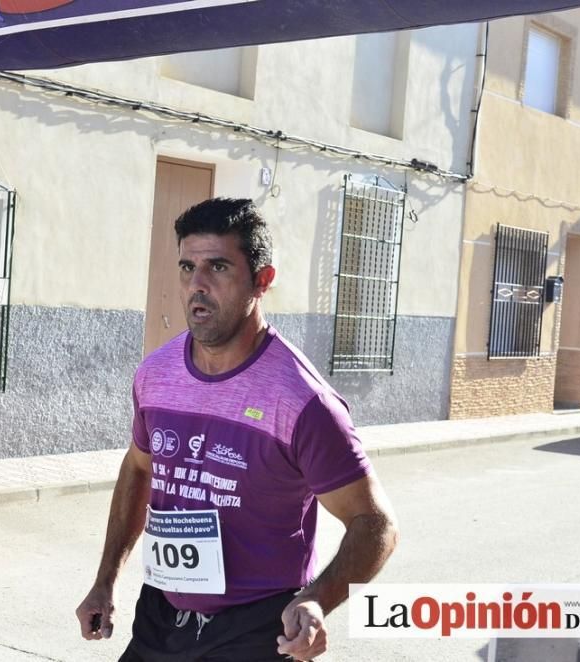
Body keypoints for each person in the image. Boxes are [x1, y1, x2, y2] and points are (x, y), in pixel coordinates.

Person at [76, 197, 398, 660]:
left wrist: (316, 599)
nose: (197, 285)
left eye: (219, 267)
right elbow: (139, 469)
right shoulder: (156, 374)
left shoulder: (303, 401)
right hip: (161, 617)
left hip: (256, 630)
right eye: (187, 267)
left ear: (262, 281)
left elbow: (376, 525)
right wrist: (105, 581)